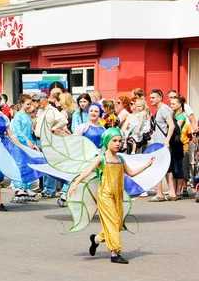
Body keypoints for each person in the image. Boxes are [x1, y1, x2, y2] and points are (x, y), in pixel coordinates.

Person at [68, 128, 154, 264]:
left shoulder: (120, 159)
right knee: (113, 222)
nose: (118, 144)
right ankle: (115, 253)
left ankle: (96, 239)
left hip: (118, 195)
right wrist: (75, 183)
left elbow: (131, 173)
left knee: (118, 224)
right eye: (114, 141)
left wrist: (147, 166)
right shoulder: (100, 159)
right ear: (107, 142)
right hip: (105, 195)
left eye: (120, 141)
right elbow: (87, 171)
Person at [34, 93, 69, 198]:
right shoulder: (40, 111)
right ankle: (45, 188)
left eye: (39, 100)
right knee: (42, 164)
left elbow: (64, 120)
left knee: (48, 164)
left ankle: (50, 189)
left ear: (45, 100)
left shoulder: (52, 110)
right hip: (39, 139)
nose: (37, 103)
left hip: (47, 139)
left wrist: (53, 129)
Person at [148, 89, 179, 202]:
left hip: (162, 144)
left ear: (160, 97)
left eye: (153, 97)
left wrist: (166, 140)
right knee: (167, 168)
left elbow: (171, 126)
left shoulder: (163, 109)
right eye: (150, 97)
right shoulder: (162, 109)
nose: (151, 99)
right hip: (161, 144)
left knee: (158, 168)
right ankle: (172, 193)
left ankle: (160, 194)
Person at [10, 94, 40, 203]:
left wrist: (33, 143)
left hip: (28, 144)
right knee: (19, 165)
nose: (29, 106)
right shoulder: (18, 116)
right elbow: (17, 132)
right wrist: (26, 141)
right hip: (19, 145)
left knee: (28, 166)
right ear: (21, 104)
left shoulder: (28, 116)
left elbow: (29, 132)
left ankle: (27, 187)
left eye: (30, 104)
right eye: (27, 104)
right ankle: (18, 187)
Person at [171, 96, 192, 198]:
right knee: (173, 169)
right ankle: (174, 191)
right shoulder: (172, 115)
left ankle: (179, 191)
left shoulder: (181, 117)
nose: (171, 105)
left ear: (179, 105)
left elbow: (176, 127)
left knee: (179, 169)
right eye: (170, 103)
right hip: (173, 146)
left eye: (173, 104)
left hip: (181, 146)